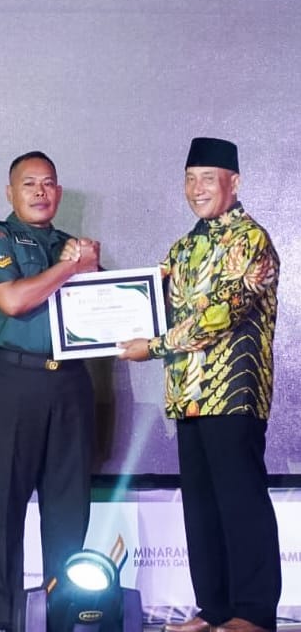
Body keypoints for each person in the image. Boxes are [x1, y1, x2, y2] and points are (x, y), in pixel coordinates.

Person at [118, 137, 281, 632]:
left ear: (234, 182)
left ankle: (252, 612)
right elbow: (144, 298)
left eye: (208, 178)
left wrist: (155, 346)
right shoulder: (184, 247)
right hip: (186, 396)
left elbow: (221, 315)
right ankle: (214, 610)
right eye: (190, 179)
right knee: (202, 509)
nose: (197, 189)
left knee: (241, 503)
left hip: (233, 392)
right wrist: (85, 274)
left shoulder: (251, 240)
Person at [0, 151, 100, 632]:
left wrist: (90, 268)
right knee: (6, 504)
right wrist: (70, 268)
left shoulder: (72, 245)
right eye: (29, 184)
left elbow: (98, 312)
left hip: (70, 382)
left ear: (58, 192)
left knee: (68, 506)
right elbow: (13, 300)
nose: (40, 192)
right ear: (11, 192)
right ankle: (4, 619)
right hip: (14, 381)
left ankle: (64, 614)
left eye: (48, 183)